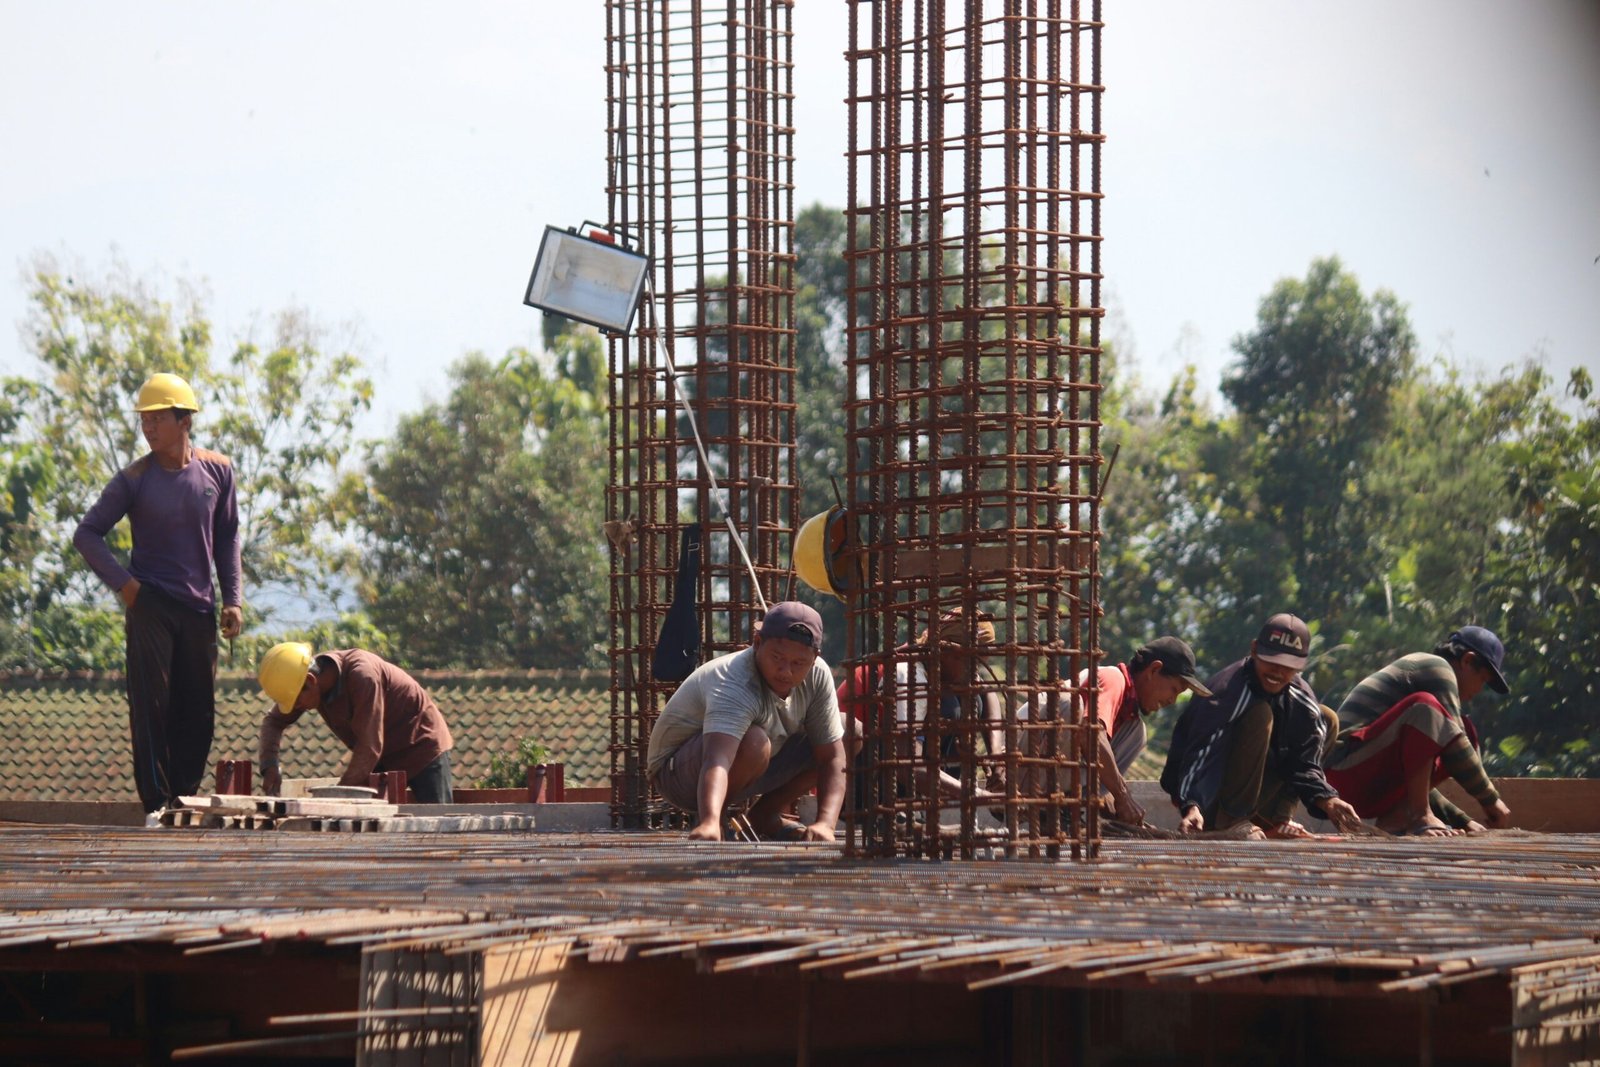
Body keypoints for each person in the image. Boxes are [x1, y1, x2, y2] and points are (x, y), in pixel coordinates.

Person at [73, 373, 243, 814]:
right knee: (152, 707)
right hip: (150, 603)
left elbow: (227, 537)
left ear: (184, 421)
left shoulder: (218, 471)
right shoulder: (134, 478)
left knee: (199, 710)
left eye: (157, 419)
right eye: (144, 421)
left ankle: (183, 797)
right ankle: (156, 803)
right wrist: (127, 587)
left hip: (199, 607)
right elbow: (87, 534)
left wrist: (233, 598)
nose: (148, 429)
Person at [647, 601, 849, 842]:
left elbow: (832, 757)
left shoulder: (818, 676)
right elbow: (718, 758)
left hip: (748, 761)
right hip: (678, 774)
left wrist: (826, 824)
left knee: (848, 732)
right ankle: (716, 821)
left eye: (798, 663)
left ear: (814, 658)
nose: (786, 671)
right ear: (757, 643)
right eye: (777, 657)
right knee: (754, 741)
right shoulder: (735, 680)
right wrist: (709, 822)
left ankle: (763, 816)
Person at [1161, 614, 1363, 837]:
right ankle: (1229, 821)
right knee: (1260, 714)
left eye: (1288, 666)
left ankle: (1275, 819)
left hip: (1255, 797)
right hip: (1206, 798)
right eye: (1271, 661)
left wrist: (1329, 800)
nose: (1277, 672)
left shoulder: (1301, 700)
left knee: (1326, 718)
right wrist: (1192, 805)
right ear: (1255, 650)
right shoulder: (1224, 693)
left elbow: (1305, 764)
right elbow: (1198, 756)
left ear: (1301, 666)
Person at [1324, 626, 1514, 836]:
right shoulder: (1436, 667)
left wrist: (1463, 821)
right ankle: (1420, 815)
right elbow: (1458, 744)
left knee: (1457, 729)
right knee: (1427, 709)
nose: (1479, 690)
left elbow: (1416, 776)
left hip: (1370, 787)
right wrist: (1491, 800)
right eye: (1483, 680)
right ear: (1467, 661)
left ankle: (1397, 817)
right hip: (1341, 775)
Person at [1012, 636, 1211, 823]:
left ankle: (1068, 808)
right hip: (1019, 768)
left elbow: (1097, 761)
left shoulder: (1130, 727)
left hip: (1054, 783)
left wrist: (1114, 804)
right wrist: (1122, 795)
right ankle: (1039, 801)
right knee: (1070, 705)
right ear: (1153, 670)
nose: (1172, 701)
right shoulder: (1113, 678)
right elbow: (1090, 735)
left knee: (1137, 734)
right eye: (1174, 689)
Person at [256, 643, 457, 803]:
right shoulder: (306, 681)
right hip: (381, 760)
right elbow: (273, 722)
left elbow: (370, 748)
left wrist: (335, 798)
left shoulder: (363, 676)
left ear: (310, 681)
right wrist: (270, 766)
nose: (296, 708)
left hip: (422, 747)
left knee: (438, 825)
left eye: (297, 701)